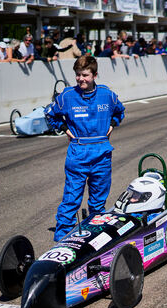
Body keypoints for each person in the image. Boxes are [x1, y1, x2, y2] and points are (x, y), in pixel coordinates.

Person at [45, 56, 126, 241]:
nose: (81, 79)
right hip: (78, 153)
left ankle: (94, 237)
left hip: (102, 154)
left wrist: (113, 124)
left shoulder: (107, 95)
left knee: (98, 202)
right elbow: (50, 115)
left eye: (85, 75)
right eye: (78, 75)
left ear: (95, 75)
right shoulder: (67, 96)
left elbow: (120, 111)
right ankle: (61, 239)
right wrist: (64, 129)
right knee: (71, 199)